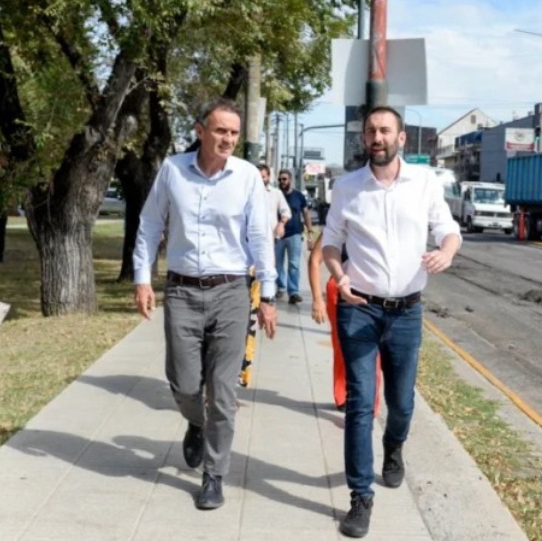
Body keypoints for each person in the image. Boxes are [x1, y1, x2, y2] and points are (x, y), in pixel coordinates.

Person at [322, 106, 461, 538]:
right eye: (370, 131)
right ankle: (360, 497)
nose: (377, 137)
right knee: (361, 404)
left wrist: (447, 252)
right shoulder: (347, 188)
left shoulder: (424, 182)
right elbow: (330, 244)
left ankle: (394, 446)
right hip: (359, 307)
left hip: (406, 312)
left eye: (385, 130)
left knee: (401, 403)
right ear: (364, 139)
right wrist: (339, 278)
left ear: (402, 138)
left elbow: (448, 229)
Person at [132, 98, 277, 511]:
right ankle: (195, 421)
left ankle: (214, 476)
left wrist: (267, 295)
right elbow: (149, 226)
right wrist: (143, 279)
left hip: (232, 292)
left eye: (233, 132)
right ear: (201, 130)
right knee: (183, 382)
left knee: (224, 391)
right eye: (220, 131)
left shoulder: (248, 177)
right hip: (181, 292)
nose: (228, 139)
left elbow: (260, 238)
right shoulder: (173, 170)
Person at [308, 232, 381, 416]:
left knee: (374, 354)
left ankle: (369, 402)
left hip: (372, 291)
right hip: (340, 290)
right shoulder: (337, 222)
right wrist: (317, 299)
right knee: (342, 347)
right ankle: (344, 396)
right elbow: (314, 260)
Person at [277, 169, 315, 304]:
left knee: (294, 264)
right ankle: (280, 288)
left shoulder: (298, 196)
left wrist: (310, 233)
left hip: (295, 234)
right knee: (278, 264)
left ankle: (293, 292)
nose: (282, 182)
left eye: (284, 179)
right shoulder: (276, 195)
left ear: (290, 180)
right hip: (278, 235)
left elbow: (306, 214)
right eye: (280, 179)